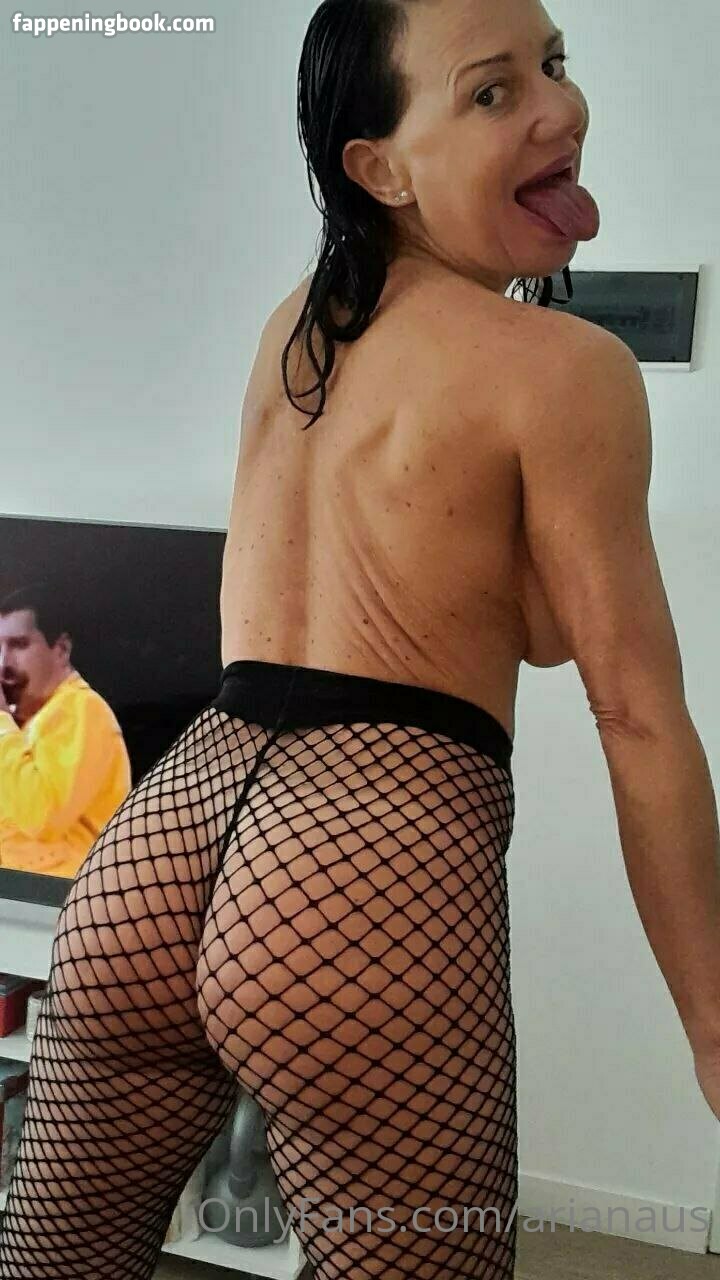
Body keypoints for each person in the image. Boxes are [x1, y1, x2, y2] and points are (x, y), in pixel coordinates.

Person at [1, 0, 718, 1276]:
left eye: (554, 66)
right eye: (492, 92)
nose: (559, 108)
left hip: (154, 853)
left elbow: (496, 616)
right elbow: (633, 712)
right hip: (361, 869)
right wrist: (714, 1026)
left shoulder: (297, 324)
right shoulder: (563, 367)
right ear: (379, 167)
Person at [0, 583, 132, 879]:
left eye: (18, 645)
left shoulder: (82, 710)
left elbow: (42, 818)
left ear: (61, 650)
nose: (3, 663)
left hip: (61, 898)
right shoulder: (27, 720)